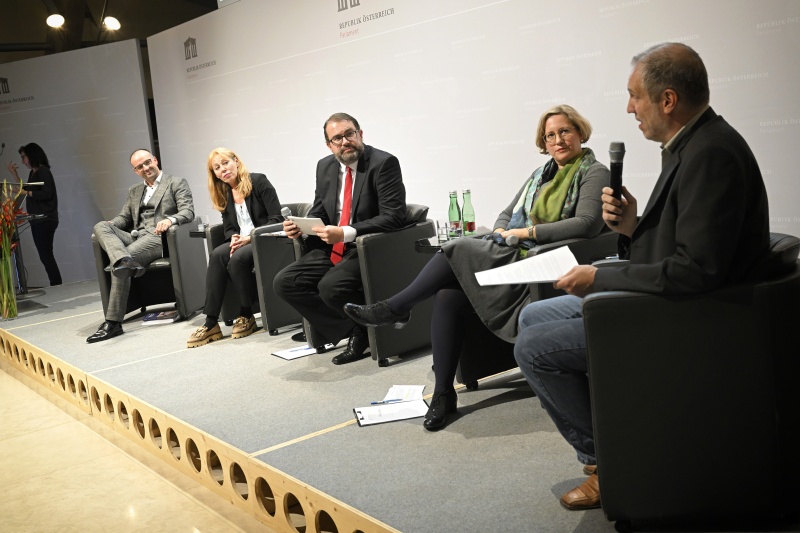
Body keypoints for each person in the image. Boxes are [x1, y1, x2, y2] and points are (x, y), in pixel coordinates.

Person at [513, 43, 770, 511]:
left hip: (691, 319)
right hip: (670, 298)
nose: (629, 108)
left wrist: (600, 278)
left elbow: (696, 271)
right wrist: (632, 226)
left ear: (667, 100)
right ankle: (618, 440)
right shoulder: (689, 146)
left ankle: (608, 462)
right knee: (534, 316)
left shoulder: (710, 154)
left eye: (635, 96)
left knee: (531, 348)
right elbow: (680, 248)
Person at [344, 104, 609, 430]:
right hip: (515, 254)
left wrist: (527, 233)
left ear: (580, 132)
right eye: (550, 135)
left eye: (565, 131)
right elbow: (505, 213)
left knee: (455, 247)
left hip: (543, 265)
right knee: (446, 296)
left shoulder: (594, 171)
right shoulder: (541, 174)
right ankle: (443, 393)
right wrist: (501, 231)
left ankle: (397, 307)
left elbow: (587, 224)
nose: (558, 140)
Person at [273, 112, 407, 364]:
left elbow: (394, 216)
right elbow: (320, 210)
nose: (345, 141)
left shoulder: (384, 163)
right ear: (329, 145)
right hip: (332, 246)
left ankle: (360, 332)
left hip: (366, 246)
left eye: (349, 134)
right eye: (337, 138)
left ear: (360, 134)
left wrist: (346, 232)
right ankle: (356, 328)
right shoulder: (325, 166)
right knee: (286, 282)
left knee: (330, 287)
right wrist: (302, 228)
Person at [87, 149, 195, 343]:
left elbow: (188, 212)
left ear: (155, 160)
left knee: (121, 261)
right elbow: (124, 218)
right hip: (136, 237)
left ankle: (113, 322)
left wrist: (170, 220)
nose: (145, 168)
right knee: (101, 226)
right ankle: (124, 260)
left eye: (147, 163)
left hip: (158, 238)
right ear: (135, 171)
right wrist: (113, 225)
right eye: (139, 167)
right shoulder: (135, 190)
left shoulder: (176, 182)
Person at [187, 148, 283, 348]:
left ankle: (246, 314)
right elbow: (229, 227)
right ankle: (211, 322)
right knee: (216, 255)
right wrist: (233, 238)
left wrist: (249, 238)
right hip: (243, 241)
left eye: (225, 163)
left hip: (265, 239)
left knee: (237, 259)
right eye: (217, 168)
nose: (223, 169)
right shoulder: (224, 193)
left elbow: (276, 218)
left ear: (236, 161)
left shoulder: (258, 181)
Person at [5, 143, 62, 286]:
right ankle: (56, 284)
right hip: (37, 220)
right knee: (45, 255)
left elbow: (46, 193)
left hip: (45, 219)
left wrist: (26, 192)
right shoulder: (33, 173)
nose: (23, 161)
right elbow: (26, 189)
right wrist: (14, 175)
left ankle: (56, 285)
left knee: (46, 255)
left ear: (32, 155)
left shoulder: (43, 171)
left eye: (24, 157)